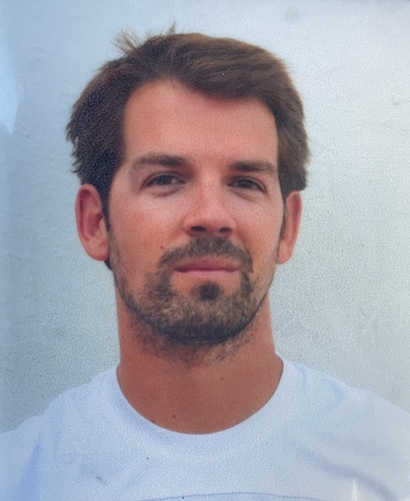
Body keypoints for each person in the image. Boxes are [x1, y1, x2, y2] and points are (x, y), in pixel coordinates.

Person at [1, 30, 409, 501]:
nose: (212, 215)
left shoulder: (391, 463)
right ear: (96, 223)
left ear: (288, 227)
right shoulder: (22, 478)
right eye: (166, 179)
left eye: (245, 182)